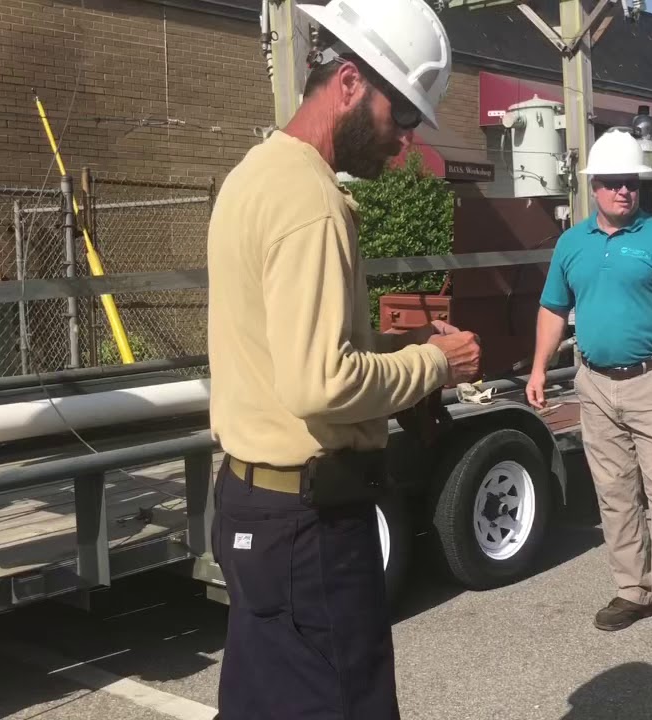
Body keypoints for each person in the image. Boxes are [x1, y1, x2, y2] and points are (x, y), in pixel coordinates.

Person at [205, 1, 480, 717]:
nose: (404, 142)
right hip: (310, 524)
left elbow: (287, 352)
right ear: (351, 83)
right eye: (405, 115)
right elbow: (320, 382)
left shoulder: (253, 176)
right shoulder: (312, 202)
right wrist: (436, 365)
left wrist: (402, 351)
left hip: (253, 507)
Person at [526, 128, 652, 660]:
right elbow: (552, 310)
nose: (623, 192)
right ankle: (633, 591)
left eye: (630, 183)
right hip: (594, 382)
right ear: (594, 188)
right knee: (614, 493)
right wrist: (539, 367)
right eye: (611, 184)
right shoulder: (571, 244)